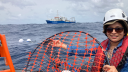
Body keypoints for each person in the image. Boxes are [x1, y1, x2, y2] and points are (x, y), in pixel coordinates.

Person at [51, 8, 128, 72]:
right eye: (110, 29)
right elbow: (84, 51)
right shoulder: (102, 46)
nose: (113, 32)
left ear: (124, 30)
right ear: (106, 31)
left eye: (118, 29)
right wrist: (62, 45)